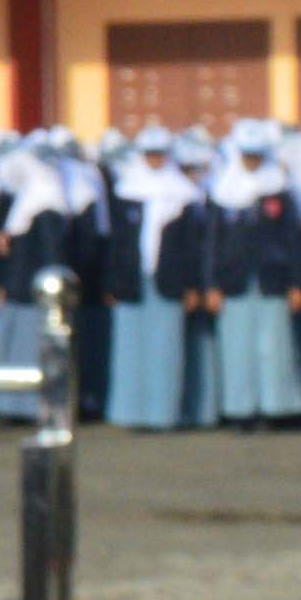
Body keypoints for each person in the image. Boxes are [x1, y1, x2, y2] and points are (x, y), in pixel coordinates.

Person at [201, 120, 301, 424]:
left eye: (257, 155)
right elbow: (212, 243)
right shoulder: (221, 190)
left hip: (272, 280)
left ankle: (276, 409)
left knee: (275, 347)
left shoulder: (280, 190)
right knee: (237, 347)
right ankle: (240, 410)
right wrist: (211, 284)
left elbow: (293, 240)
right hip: (233, 281)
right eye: (247, 154)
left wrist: (297, 283)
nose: (252, 161)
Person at [101, 127, 202, 430]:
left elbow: (192, 248)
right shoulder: (127, 192)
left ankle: (163, 415)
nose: (155, 160)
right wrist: (111, 282)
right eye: (149, 154)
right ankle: (130, 414)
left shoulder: (184, 194)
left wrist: (192, 286)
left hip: (168, 283)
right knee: (130, 350)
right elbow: (117, 243)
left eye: (160, 154)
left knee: (165, 350)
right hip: (133, 283)